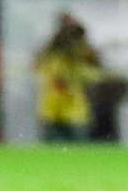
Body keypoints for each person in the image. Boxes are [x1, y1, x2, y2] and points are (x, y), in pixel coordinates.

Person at [34, 14, 99, 143]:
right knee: (57, 151)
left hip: (72, 112)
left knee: (74, 151)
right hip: (54, 111)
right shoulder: (53, 57)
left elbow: (94, 72)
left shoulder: (80, 57)